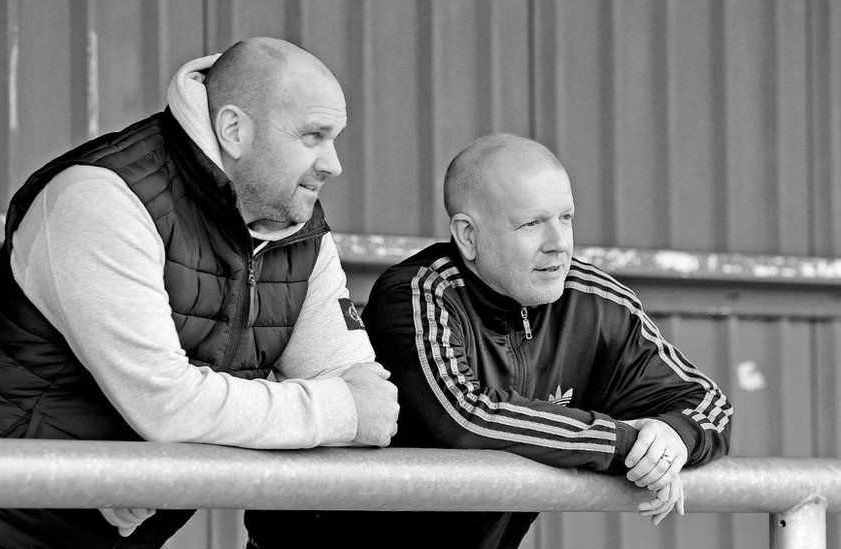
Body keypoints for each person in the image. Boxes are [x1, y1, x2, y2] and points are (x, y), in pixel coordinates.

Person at [0, 37, 398, 549]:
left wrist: (173, 463)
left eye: (336, 138)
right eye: (313, 136)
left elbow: (364, 396)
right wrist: (173, 448)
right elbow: (170, 406)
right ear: (234, 129)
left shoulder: (295, 228)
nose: (334, 164)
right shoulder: (103, 198)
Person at [244, 134, 733, 549]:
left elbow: (706, 403)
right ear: (468, 236)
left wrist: (673, 437)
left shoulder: (596, 303)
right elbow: (466, 417)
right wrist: (624, 443)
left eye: (566, 218)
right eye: (530, 224)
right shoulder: (416, 294)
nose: (558, 242)